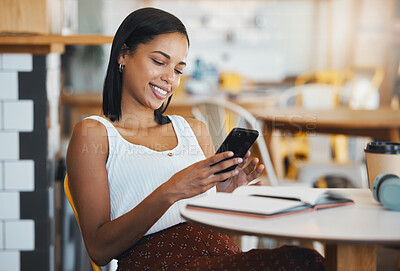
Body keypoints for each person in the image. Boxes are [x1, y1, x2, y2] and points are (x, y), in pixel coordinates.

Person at [66, 7, 325, 271]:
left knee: (306, 259)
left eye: (178, 69)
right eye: (159, 61)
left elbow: (218, 230)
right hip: (158, 263)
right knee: (303, 263)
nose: (169, 78)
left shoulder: (194, 130)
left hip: (219, 256)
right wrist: (172, 190)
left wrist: (224, 195)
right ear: (123, 54)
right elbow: (98, 250)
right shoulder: (94, 134)